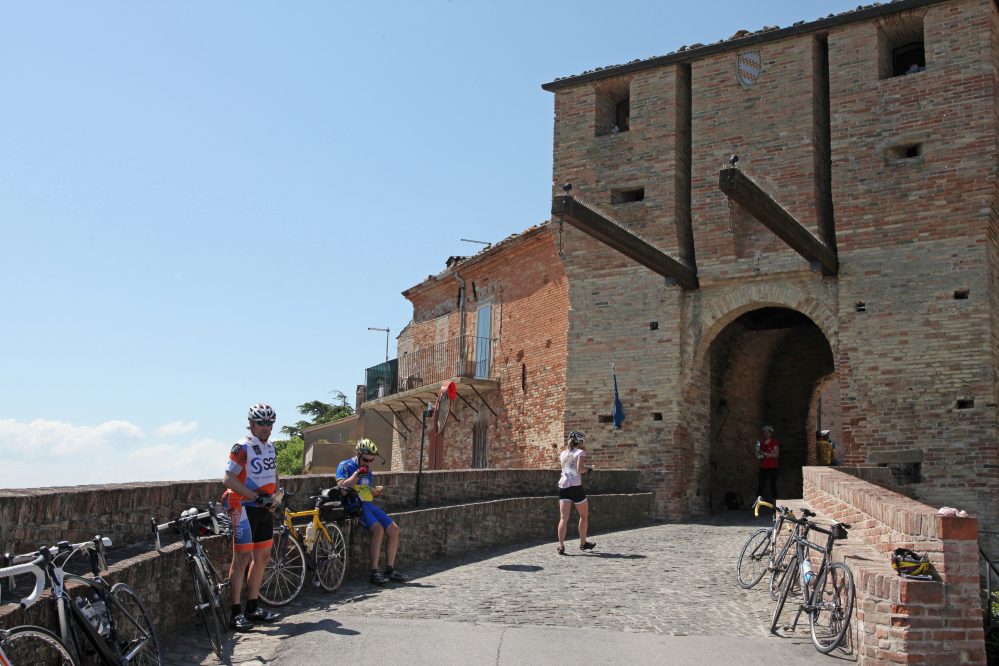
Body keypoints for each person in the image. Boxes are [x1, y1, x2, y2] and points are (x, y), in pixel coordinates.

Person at [221, 403, 281, 632]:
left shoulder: (271, 447)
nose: (266, 427)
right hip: (244, 506)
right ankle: (235, 613)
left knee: (263, 557)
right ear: (252, 424)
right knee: (242, 560)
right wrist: (256, 498)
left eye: (270, 423)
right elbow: (229, 479)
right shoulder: (241, 447)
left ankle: (252, 608)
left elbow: (274, 473)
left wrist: (275, 497)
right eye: (261, 423)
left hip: (265, 507)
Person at [337, 439, 409, 585]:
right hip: (355, 505)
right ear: (357, 454)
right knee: (378, 530)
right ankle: (374, 572)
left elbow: (364, 489)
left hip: (369, 504)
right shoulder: (345, 465)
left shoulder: (368, 469)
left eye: (371, 461)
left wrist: (373, 491)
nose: (368, 463)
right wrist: (357, 473)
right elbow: (343, 490)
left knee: (394, 530)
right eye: (365, 460)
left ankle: (389, 570)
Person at [557, 430, 596, 555]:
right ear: (578, 442)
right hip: (575, 487)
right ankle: (583, 543)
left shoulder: (563, 454)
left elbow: (568, 469)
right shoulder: (580, 452)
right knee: (583, 515)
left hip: (563, 487)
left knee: (563, 518)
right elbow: (579, 469)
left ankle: (561, 546)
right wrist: (588, 469)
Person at [755, 425, 779, 502]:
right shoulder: (761, 443)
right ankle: (758, 502)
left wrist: (764, 453)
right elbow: (760, 455)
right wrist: (759, 454)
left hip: (773, 467)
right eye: (764, 432)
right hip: (763, 466)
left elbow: (776, 455)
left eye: (768, 432)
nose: (766, 433)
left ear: (771, 433)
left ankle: (775, 502)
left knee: (772, 485)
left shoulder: (774, 442)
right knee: (761, 485)